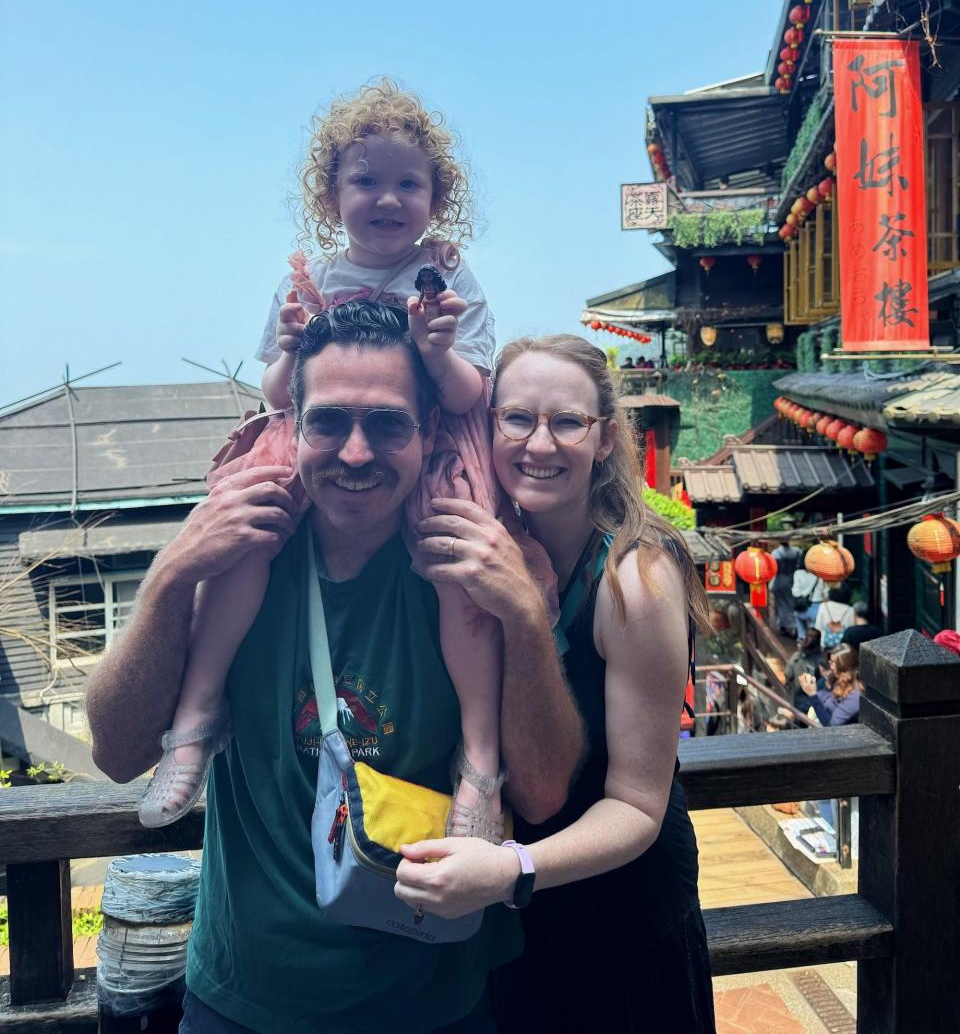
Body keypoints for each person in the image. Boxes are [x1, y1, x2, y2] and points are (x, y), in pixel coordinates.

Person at [87, 302, 584, 1034]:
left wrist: (527, 620)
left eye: (386, 423)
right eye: (329, 422)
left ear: (427, 433)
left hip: (432, 1005)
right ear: (293, 425)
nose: (356, 453)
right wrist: (168, 577)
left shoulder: (475, 566)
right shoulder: (240, 552)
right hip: (242, 1001)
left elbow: (541, 795)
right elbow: (119, 754)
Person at [138, 80, 535, 840]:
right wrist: (290, 347)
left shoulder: (448, 276)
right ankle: (194, 719)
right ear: (330, 194)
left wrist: (436, 349)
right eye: (367, 181)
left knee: (460, 574)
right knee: (244, 534)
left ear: (436, 197)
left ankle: (480, 766)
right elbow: (278, 393)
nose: (388, 199)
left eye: (408, 183)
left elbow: (465, 397)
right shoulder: (310, 279)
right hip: (315, 430)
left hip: (430, 438)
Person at [392, 334, 717, 1032]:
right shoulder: (497, 540)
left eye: (566, 422)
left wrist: (511, 870)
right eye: (517, 419)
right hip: (511, 911)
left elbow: (635, 805)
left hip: (615, 913)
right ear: (489, 426)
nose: (539, 443)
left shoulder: (636, 575)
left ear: (603, 439)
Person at [796, 645, 863, 726]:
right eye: (830, 662)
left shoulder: (854, 697)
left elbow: (831, 725)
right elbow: (822, 697)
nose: (831, 667)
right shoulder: (836, 679)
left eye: (835, 664)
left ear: (845, 666)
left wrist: (812, 694)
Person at [784, 626, 827, 711]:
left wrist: (788, 683)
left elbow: (787, 673)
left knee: (800, 716)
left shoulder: (797, 657)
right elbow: (831, 663)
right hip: (818, 694)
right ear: (819, 641)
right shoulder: (823, 657)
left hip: (799, 694)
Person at [770, 537, 801, 638]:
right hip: (792, 579)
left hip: (779, 580)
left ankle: (783, 625)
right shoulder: (797, 551)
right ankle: (793, 625)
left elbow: (773, 568)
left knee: (780, 604)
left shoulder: (776, 553)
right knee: (791, 603)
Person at [814, 582, 857, 650]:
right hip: (842, 647)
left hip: (824, 645)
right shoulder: (850, 610)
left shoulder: (823, 606)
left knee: (828, 660)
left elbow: (818, 627)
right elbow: (851, 630)